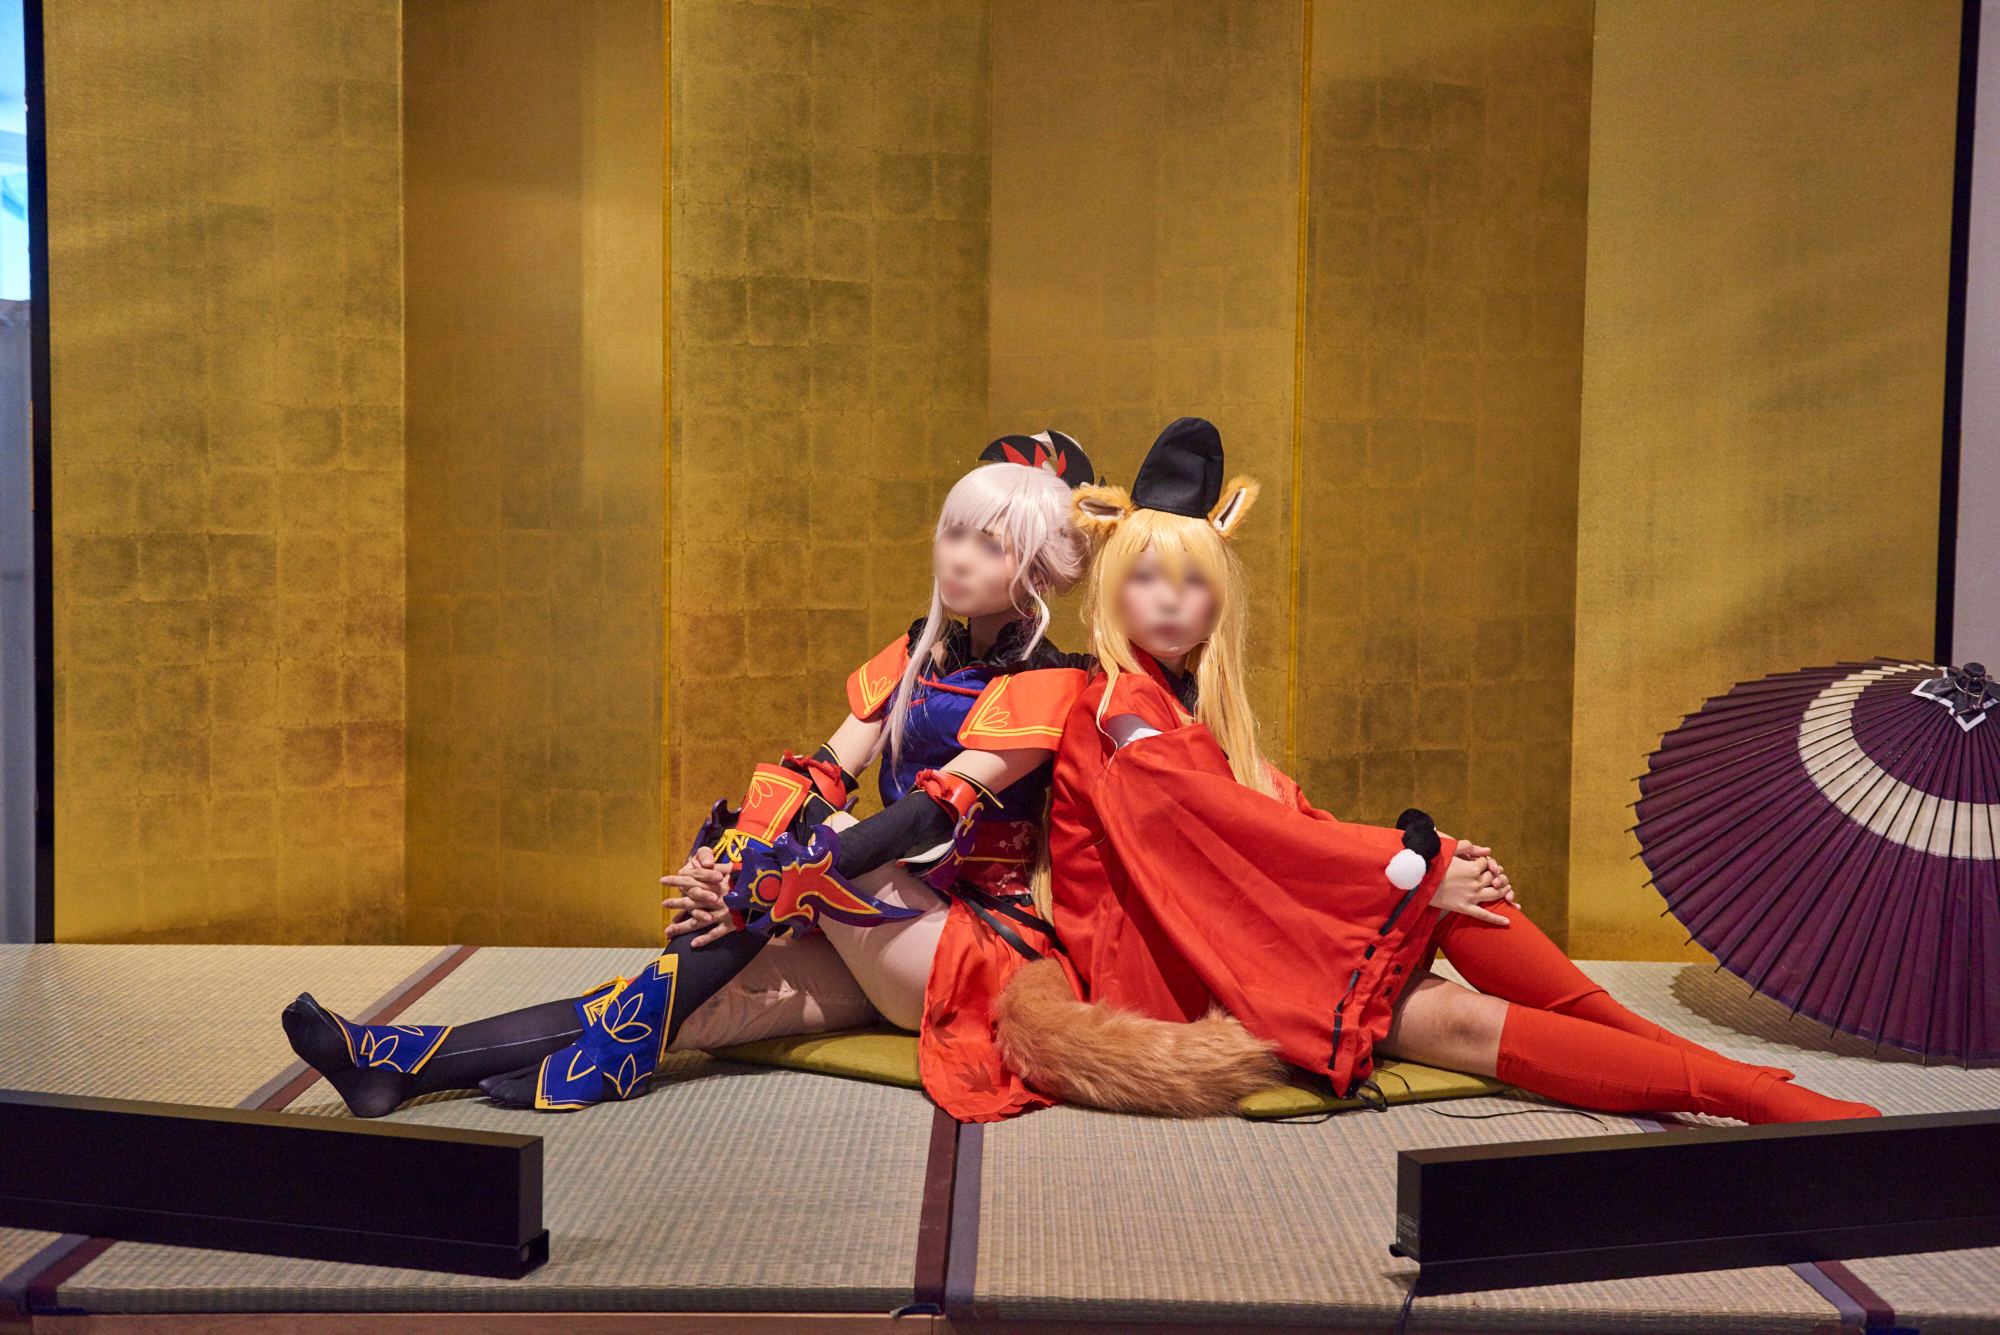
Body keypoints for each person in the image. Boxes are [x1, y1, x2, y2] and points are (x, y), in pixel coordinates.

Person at [992, 417, 1878, 1125]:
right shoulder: (1122, 713)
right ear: (1112, 590)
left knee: (1459, 894)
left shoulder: (1178, 698)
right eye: (1146, 579)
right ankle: (1745, 1094)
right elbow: (1239, 831)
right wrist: (1409, 869)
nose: (1170, 599)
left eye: (1191, 582)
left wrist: (1422, 861)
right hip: (1166, 957)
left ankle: (1679, 1052)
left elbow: (1279, 811)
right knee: (1457, 1009)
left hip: (1219, 920)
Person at [280, 434, 1097, 1120]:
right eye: (955, 533)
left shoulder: (1049, 680)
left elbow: (927, 816)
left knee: (815, 838)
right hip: (874, 920)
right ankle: (407, 1061)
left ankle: (601, 1051)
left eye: (992, 544)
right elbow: (820, 771)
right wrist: (734, 864)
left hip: (971, 953)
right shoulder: (919, 650)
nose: (959, 556)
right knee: (690, 1003)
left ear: (1039, 568)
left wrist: (762, 880)